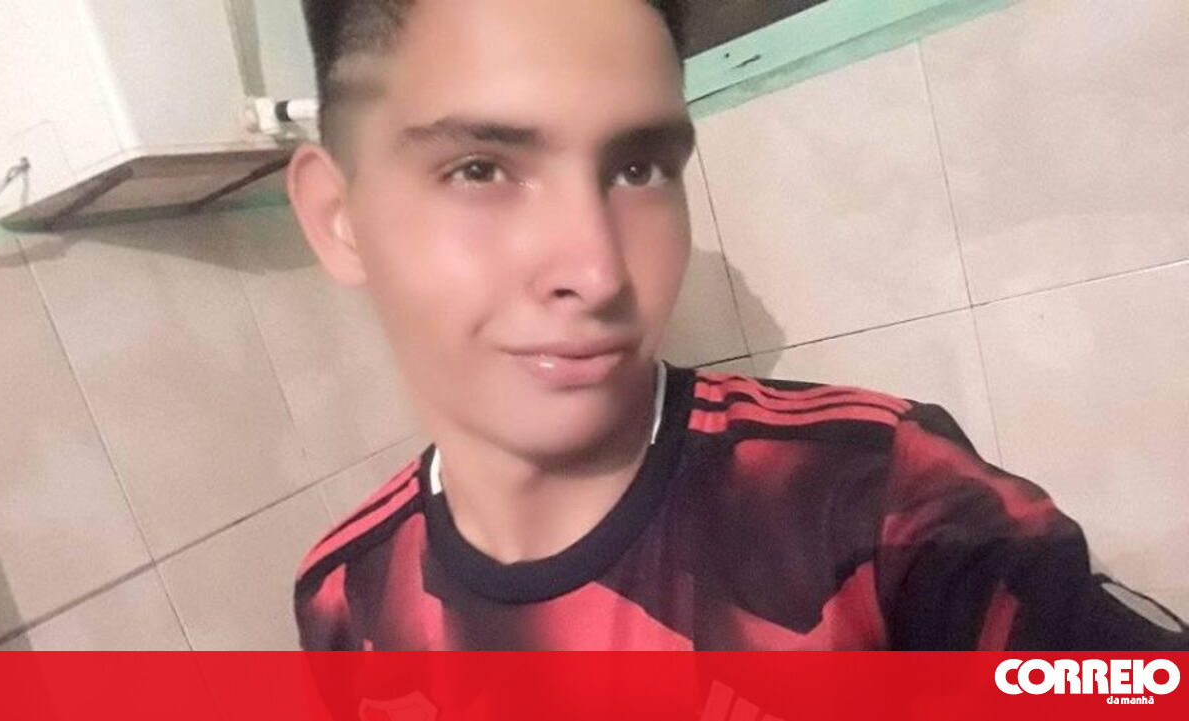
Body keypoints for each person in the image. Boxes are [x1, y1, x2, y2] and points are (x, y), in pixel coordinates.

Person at [285, 0, 1187, 650]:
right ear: (339, 218)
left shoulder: (880, 498)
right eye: (480, 169)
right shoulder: (343, 594)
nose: (598, 270)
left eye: (639, 168)